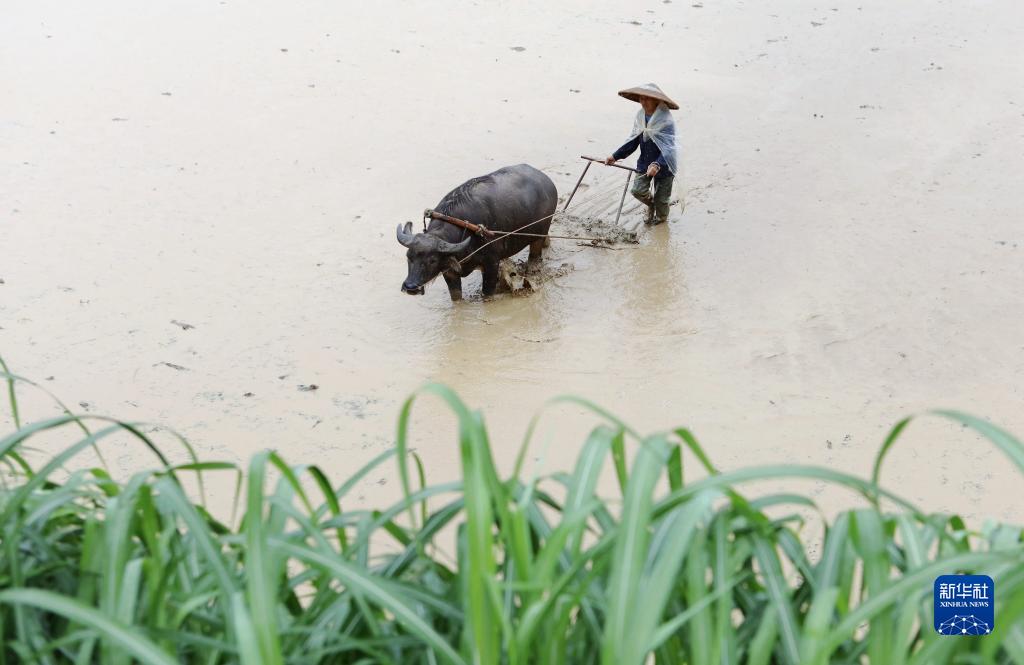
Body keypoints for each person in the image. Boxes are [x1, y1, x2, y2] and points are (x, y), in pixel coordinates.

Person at [604, 83, 680, 225]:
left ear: (656, 101)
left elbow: (669, 149)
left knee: (662, 200)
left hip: (665, 165)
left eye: (647, 99)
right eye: (641, 98)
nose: (643, 102)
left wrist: (657, 164)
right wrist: (615, 156)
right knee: (637, 190)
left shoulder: (666, 121)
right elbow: (633, 141)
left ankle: (661, 220)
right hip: (645, 161)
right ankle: (651, 205)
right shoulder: (640, 117)